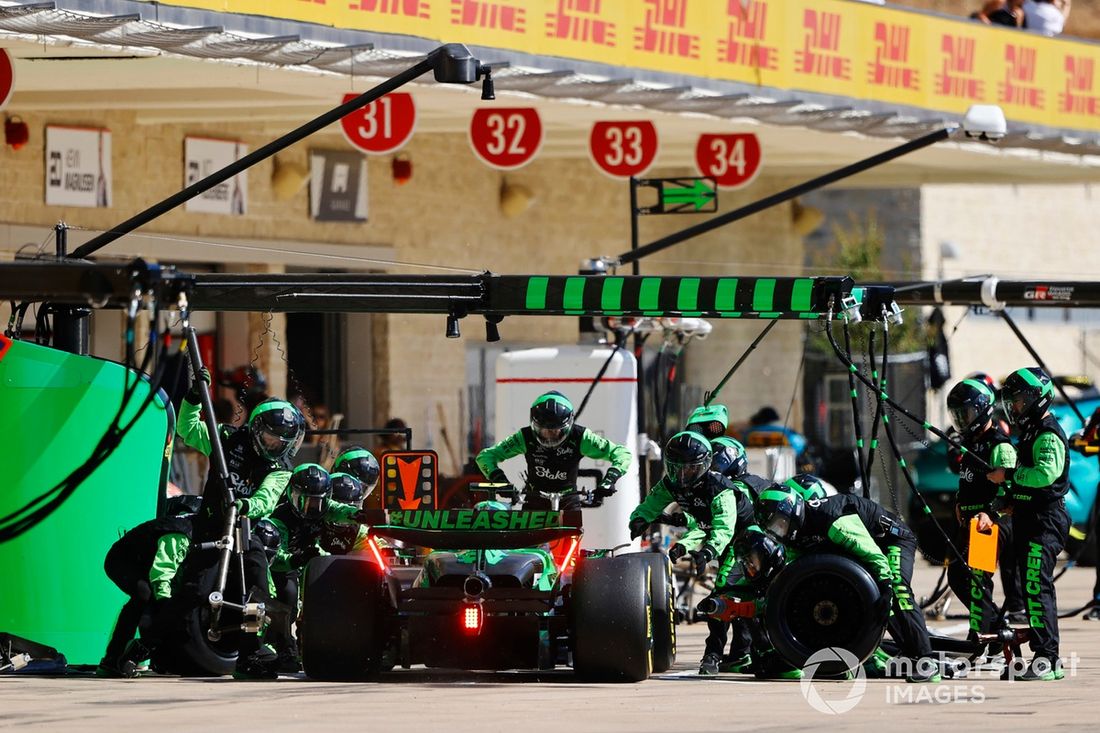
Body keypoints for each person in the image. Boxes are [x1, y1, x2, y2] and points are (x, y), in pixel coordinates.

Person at [756, 484, 941, 683]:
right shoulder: (795, 533)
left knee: (897, 591)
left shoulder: (832, 519)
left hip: (891, 540)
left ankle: (926, 661)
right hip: (860, 549)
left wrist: (886, 585)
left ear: (791, 508)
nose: (779, 531)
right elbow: (793, 575)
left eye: (779, 523)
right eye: (773, 529)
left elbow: (872, 554)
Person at [626, 432, 756, 675]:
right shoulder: (670, 483)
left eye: (691, 469)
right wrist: (638, 519)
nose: (683, 476)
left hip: (746, 541)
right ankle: (743, 654)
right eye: (676, 469)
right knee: (736, 596)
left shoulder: (721, 488)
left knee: (722, 592)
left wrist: (707, 551)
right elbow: (651, 504)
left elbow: (724, 528)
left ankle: (713, 656)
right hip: (721, 542)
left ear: (705, 466)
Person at [987, 367, 1071, 680]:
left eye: (1020, 400)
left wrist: (1007, 476)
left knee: (1037, 588)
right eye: (1013, 401)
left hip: (1044, 521)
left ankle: (1047, 659)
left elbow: (1045, 475)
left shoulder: (1047, 433)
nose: (1016, 406)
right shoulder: (1031, 430)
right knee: (1031, 587)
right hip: (1027, 518)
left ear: (1037, 398)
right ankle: (1043, 654)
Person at [945, 378, 1018, 639]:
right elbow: (968, 479)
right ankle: (997, 627)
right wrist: (958, 502)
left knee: (978, 581)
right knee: (956, 575)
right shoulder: (971, 442)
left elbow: (1011, 491)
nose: (962, 421)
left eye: (966, 414)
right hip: (970, 521)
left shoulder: (1000, 446)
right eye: (958, 416)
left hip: (990, 523)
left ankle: (980, 636)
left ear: (982, 409)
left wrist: (991, 513)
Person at [96, 496, 201, 678]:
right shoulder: (180, 531)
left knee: (154, 600)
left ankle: (156, 658)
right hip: (120, 560)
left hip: (139, 562)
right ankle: (112, 660)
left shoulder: (185, 526)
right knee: (144, 596)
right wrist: (165, 607)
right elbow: (162, 573)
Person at [475, 391, 631, 510]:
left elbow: (622, 454)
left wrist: (609, 480)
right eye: (543, 430)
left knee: (569, 549)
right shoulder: (525, 436)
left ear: (569, 424)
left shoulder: (582, 437)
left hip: (568, 502)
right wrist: (501, 482)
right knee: (529, 549)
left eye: (556, 431)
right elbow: (485, 456)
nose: (549, 436)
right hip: (534, 502)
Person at [741, 406, 807, 457]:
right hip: (784, 461)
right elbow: (799, 446)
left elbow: (743, 447)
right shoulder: (787, 432)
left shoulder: (749, 432)